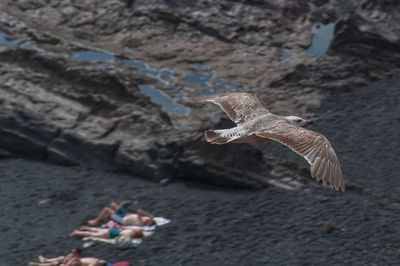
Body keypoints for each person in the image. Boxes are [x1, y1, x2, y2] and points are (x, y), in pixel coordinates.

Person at [87, 202, 154, 226]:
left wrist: (149, 215)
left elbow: (139, 211)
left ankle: (96, 221)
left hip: (122, 220)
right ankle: (107, 216)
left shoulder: (142, 223)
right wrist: (150, 217)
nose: (148, 220)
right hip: (126, 214)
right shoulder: (145, 219)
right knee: (113, 204)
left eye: (149, 221)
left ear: (148, 224)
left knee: (106, 209)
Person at [69, 225, 143, 239]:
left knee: (97, 230)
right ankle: (77, 232)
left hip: (112, 230)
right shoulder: (130, 234)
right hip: (112, 234)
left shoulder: (131, 230)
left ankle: (86, 227)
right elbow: (122, 235)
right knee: (93, 235)